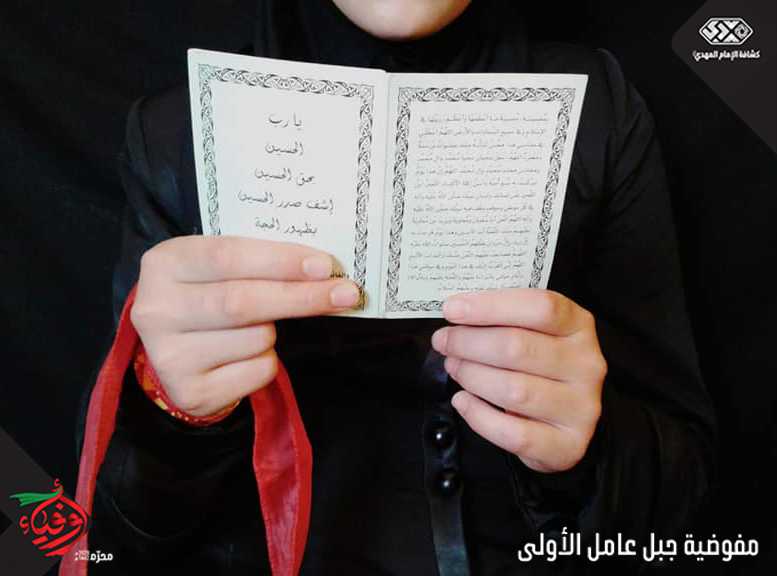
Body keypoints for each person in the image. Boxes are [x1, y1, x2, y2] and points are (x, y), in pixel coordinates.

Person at [65, 1, 716, 574]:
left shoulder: (598, 109)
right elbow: (110, 543)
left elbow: (684, 491)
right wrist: (172, 416)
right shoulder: (178, 134)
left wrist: (587, 449)